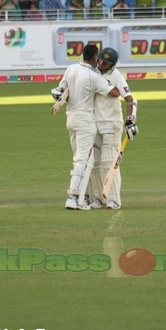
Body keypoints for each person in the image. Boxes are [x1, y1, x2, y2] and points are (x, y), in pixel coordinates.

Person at [51, 44, 121, 210]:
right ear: (95, 57)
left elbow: (61, 91)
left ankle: (85, 197)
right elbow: (115, 93)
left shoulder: (71, 68)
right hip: (85, 122)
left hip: (71, 119)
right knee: (84, 160)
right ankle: (74, 198)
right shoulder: (93, 76)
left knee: (81, 158)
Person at [86, 47, 136, 210]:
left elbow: (130, 99)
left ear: (112, 65)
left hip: (111, 123)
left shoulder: (116, 76)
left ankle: (113, 199)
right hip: (95, 123)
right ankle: (99, 198)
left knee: (109, 161)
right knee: (94, 163)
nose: (101, 64)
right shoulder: (92, 74)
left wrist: (131, 121)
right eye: (100, 60)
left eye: (106, 63)